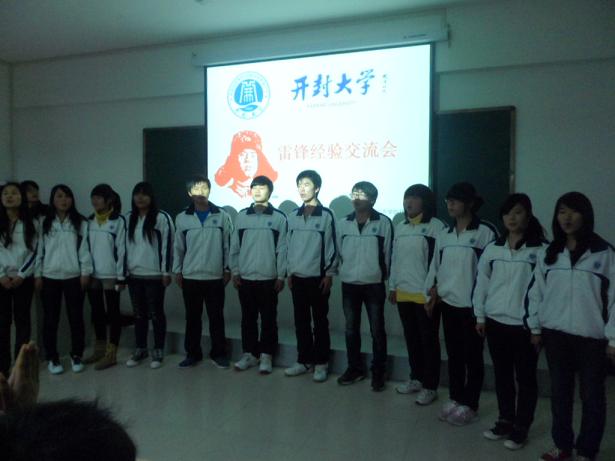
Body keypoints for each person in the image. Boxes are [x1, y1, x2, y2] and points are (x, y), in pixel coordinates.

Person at [526, 192, 615, 461]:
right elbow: (536, 293)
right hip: (556, 336)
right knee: (560, 395)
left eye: (573, 211)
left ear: (585, 215)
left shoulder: (604, 253)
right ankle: (562, 446)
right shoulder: (549, 253)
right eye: (562, 211)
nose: (567, 217)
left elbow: (614, 300)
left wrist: (613, 339)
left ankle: (587, 450)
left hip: (592, 338)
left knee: (592, 397)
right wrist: (535, 328)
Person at [473, 193, 547, 450]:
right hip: (495, 322)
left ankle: (521, 427)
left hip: (525, 327)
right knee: (502, 375)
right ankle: (505, 420)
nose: (512, 218)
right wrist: (480, 315)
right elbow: (482, 284)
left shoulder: (542, 250)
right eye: (507, 213)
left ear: (528, 214)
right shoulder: (493, 248)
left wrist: (537, 327)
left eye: (517, 212)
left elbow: (543, 293)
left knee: (525, 378)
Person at [425, 182, 497, 425]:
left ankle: (471, 404)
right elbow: (436, 267)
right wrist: (432, 293)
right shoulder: (444, 233)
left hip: (472, 307)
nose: (450, 204)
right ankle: (456, 397)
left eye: (455, 200)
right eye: (448, 200)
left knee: (473, 357)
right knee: (454, 354)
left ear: (470, 203)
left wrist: (483, 308)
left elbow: (491, 272)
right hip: (448, 304)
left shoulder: (486, 232)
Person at [388, 184, 446, 405]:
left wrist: (433, 290)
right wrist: (393, 286)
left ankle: (430, 386)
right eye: (406, 198)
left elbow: (438, 263)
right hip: (404, 292)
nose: (408, 202)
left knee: (428, 341)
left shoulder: (436, 227)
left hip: (425, 295)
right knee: (411, 339)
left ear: (425, 202)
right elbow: (395, 259)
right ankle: (416, 378)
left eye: (414, 198)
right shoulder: (401, 226)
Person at [336, 181, 392, 392]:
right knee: (351, 329)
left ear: (373, 199)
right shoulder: (343, 223)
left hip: (374, 284)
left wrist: (384, 277)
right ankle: (354, 368)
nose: (356, 198)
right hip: (349, 283)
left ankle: (378, 372)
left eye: (361, 195)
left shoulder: (383, 222)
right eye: (354, 194)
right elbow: (339, 251)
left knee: (377, 330)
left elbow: (388, 254)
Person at [230, 175, 287, 374]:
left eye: (262, 188)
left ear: (270, 191)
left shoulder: (279, 217)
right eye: (254, 187)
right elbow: (235, 247)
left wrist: (281, 276)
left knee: (269, 319)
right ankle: (249, 354)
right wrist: (235, 271)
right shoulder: (242, 216)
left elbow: (282, 249)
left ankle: (266, 356)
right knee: (248, 319)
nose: (257, 191)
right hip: (245, 277)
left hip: (268, 278)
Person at [173, 176, 232, 369]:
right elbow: (178, 248)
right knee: (192, 318)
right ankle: (193, 354)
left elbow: (227, 246)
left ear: (210, 190)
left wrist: (227, 269)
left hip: (214, 276)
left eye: (204, 188)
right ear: (189, 193)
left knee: (216, 318)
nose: (200, 192)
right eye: (196, 189)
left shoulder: (222, 215)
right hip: (190, 276)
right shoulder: (182, 217)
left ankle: (219, 353)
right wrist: (177, 271)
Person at [285, 170, 337, 382]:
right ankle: (304, 360)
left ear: (317, 188)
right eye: (299, 184)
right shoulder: (292, 216)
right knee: (301, 321)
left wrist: (329, 274)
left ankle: (321, 363)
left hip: (318, 278)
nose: (302, 188)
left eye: (306, 184)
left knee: (320, 322)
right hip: (297, 277)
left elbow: (332, 247)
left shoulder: (327, 215)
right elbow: (288, 246)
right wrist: (289, 272)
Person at [35, 184, 92, 375]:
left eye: (67, 196)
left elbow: (84, 249)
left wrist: (85, 272)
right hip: (49, 277)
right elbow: (39, 251)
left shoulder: (80, 222)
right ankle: (53, 357)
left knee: (76, 318)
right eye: (59, 196)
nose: (63, 200)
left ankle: (77, 355)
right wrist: (37, 274)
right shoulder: (43, 222)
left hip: (74, 277)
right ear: (52, 199)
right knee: (50, 320)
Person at [125, 182, 174, 369]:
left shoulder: (162, 218)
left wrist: (165, 271)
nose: (140, 197)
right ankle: (140, 348)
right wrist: (124, 273)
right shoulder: (128, 218)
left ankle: (158, 349)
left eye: (144, 194)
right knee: (139, 314)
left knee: (156, 314)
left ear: (151, 197)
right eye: (137, 194)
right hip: (134, 275)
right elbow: (123, 247)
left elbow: (167, 246)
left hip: (154, 275)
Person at [84, 184, 126, 370]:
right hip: (93, 275)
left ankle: (112, 353)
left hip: (111, 274)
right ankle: (99, 349)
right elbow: (85, 248)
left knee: (113, 313)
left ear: (109, 200)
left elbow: (122, 250)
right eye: (93, 197)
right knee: (97, 312)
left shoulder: (118, 221)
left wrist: (121, 276)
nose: (95, 201)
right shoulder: (89, 221)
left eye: (99, 197)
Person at [0, 183, 37, 377]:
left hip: (23, 279)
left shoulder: (31, 223)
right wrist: (1, 275)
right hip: (2, 280)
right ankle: (3, 366)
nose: (9, 196)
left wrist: (22, 275)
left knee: (23, 322)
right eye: (5, 193)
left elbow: (35, 251)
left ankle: (20, 365)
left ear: (22, 197)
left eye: (14, 193)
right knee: (2, 323)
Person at [214, 131, 278, 198]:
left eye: (252, 155)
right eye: (243, 154)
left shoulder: (266, 193)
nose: (248, 160)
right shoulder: (225, 193)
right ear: (234, 159)